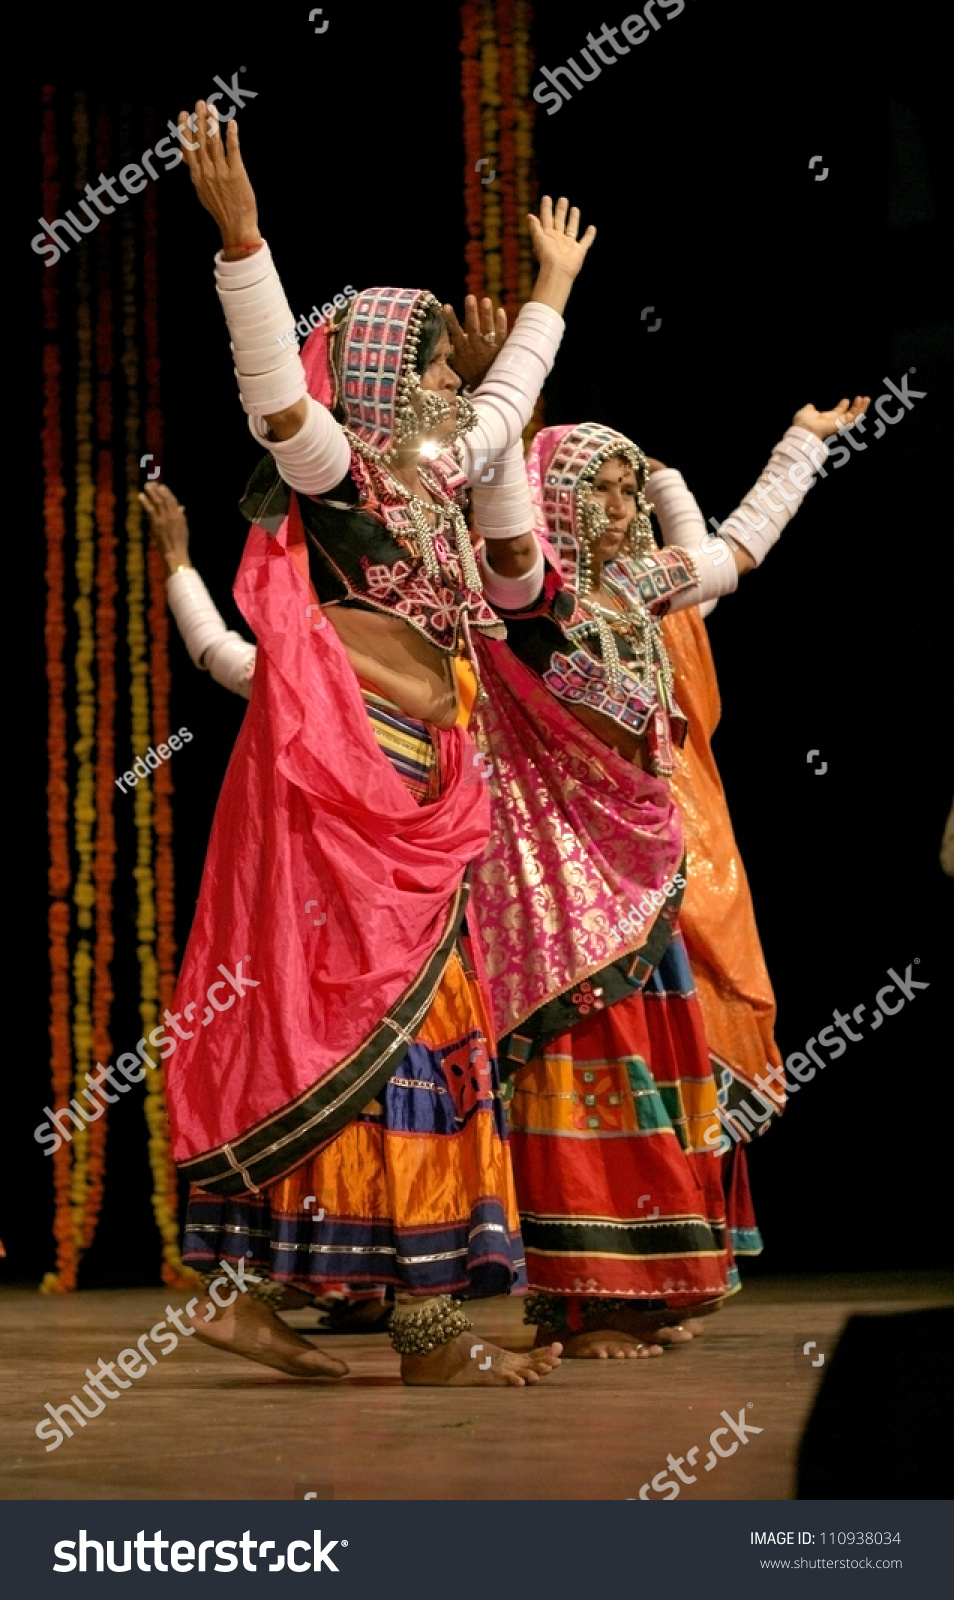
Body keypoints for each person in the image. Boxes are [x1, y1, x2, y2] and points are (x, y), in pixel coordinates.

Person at [163, 97, 594, 1386]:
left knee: (405, 1036)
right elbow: (277, 402)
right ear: (374, 379)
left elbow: (510, 459)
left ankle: (272, 1293)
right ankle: (424, 1334)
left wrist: (548, 296)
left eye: (449, 373)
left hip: (434, 788)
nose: (447, 383)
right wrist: (245, 245)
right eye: (425, 365)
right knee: (374, 1035)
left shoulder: (443, 477)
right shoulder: (344, 473)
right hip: (360, 793)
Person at [469, 396, 869, 1359]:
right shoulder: (526, 601)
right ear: (550, 503)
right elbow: (508, 540)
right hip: (560, 887)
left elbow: (738, 549)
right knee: (582, 1080)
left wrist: (800, 445)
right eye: (595, 491)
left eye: (623, 489)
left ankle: (648, 1284)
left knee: (654, 1078)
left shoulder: (643, 587)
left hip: (648, 873)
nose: (617, 508)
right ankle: (587, 1298)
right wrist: (499, 423)